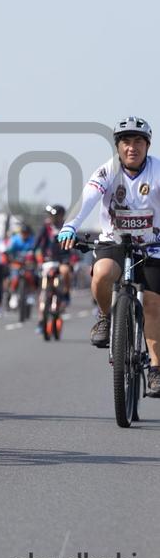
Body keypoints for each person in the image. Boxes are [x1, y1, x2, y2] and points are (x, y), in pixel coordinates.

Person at [58, 116, 160, 395]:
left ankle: (155, 368)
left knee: (153, 303)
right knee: (102, 273)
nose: (132, 147)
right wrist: (70, 226)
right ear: (118, 146)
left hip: (152, 245)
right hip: (114, 242)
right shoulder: (107, 171)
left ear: (147, 145)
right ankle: (105, 317)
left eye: (138, 141)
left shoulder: (157, 171)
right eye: (126, 142)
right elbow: (88, 197)